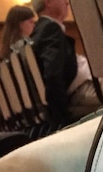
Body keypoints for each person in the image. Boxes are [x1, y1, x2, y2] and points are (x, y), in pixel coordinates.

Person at [30, 0, 78, 129]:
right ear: (48, 2)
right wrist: (64, 118)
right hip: (74, 95)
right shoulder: (50, 28)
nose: (67, 2)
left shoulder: (40, 29)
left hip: (72, 92)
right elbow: (52, 75)